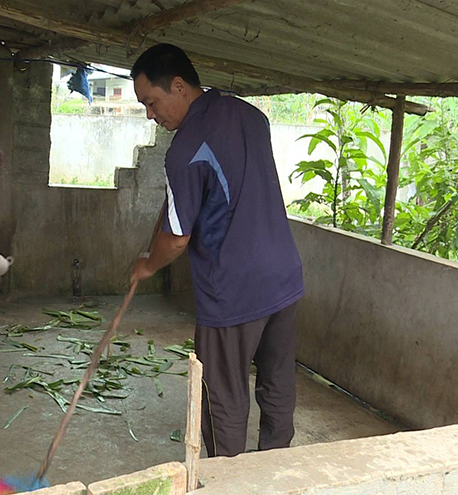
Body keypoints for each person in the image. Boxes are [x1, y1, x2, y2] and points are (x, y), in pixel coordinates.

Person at [129, 43, 304, 457]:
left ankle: (228, 480)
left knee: (222, 396)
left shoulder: (185, 151)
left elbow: (176, 237)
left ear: (178, 86)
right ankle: (276, 473)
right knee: (278, 384)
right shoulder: (251, 116)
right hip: (284, 278)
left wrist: (147, 266)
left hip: (233, 290)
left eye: (152, 102)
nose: (151, 115)